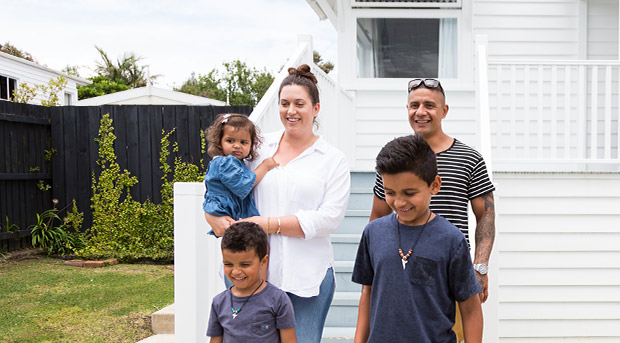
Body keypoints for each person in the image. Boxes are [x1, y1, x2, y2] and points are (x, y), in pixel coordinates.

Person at [205, 64, 351, 343]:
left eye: (299, 104)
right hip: (252, 272)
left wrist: (270, 225)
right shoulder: (256, 149)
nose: (291, 111)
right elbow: (222, 183)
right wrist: (210, 215)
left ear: (316, 108)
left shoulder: (332, 159)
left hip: (307, 277)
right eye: (284, 103)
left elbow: (329, 218)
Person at [370, 78, 495, 342]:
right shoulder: (394, 160)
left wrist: (480, 267)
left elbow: (485, 215)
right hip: (403, 270)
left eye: (429, 105)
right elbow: (378, 215)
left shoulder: (469, 158)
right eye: (414, 105)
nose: (421, 112)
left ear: (444, 111)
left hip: (448, 272)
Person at [353, 134, 483, 343]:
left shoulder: (451, 239)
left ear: (434, 185)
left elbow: (470, 308)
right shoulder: (372, 233)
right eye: (390, 192)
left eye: (410, 192)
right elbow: (367, 294)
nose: (399, 202)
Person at [207, 221, 297, 343]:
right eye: (228, 264)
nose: (236, 271)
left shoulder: (278, 300)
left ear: (263, 262)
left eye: (245, 265)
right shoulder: (219, 302)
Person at [202, 113, 278, 236]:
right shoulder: (225, 162)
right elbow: (243, 185)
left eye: (243, 142)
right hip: (225, 210)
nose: (237, 145)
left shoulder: (235, 162)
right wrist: (264, 166)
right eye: (230, 140)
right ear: (219, 142)